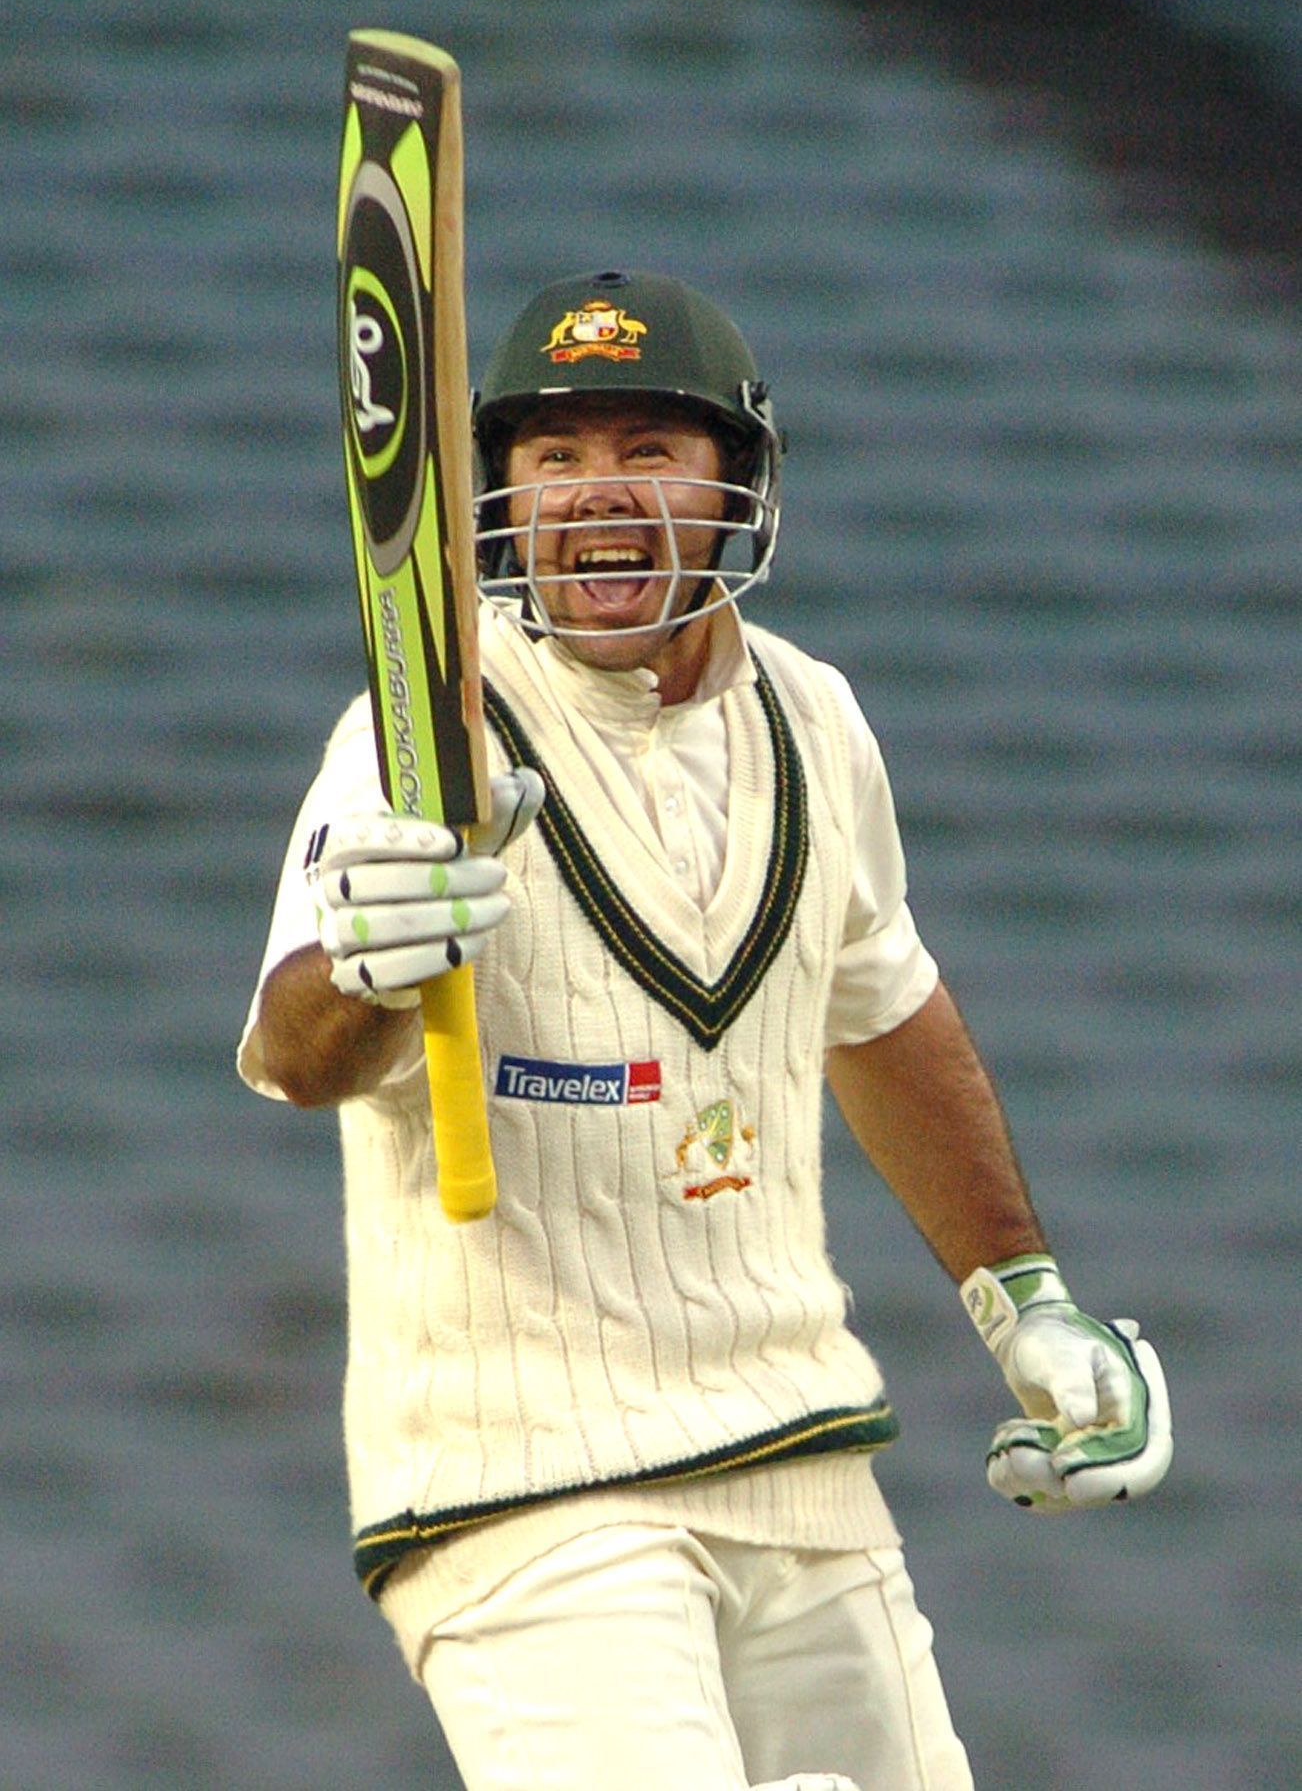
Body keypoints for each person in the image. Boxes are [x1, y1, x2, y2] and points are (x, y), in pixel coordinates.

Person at [239, 269, 1172, 1791]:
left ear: (735, 485)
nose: (595, 491)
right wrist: (367, 961)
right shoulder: (418, 726)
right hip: (522, 1490)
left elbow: (880, 1012)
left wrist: (1027, 1298)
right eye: (552, 456)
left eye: (646, 449)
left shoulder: (814, 717)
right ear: (500, 493)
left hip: (795, 1455)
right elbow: (294, 1056)